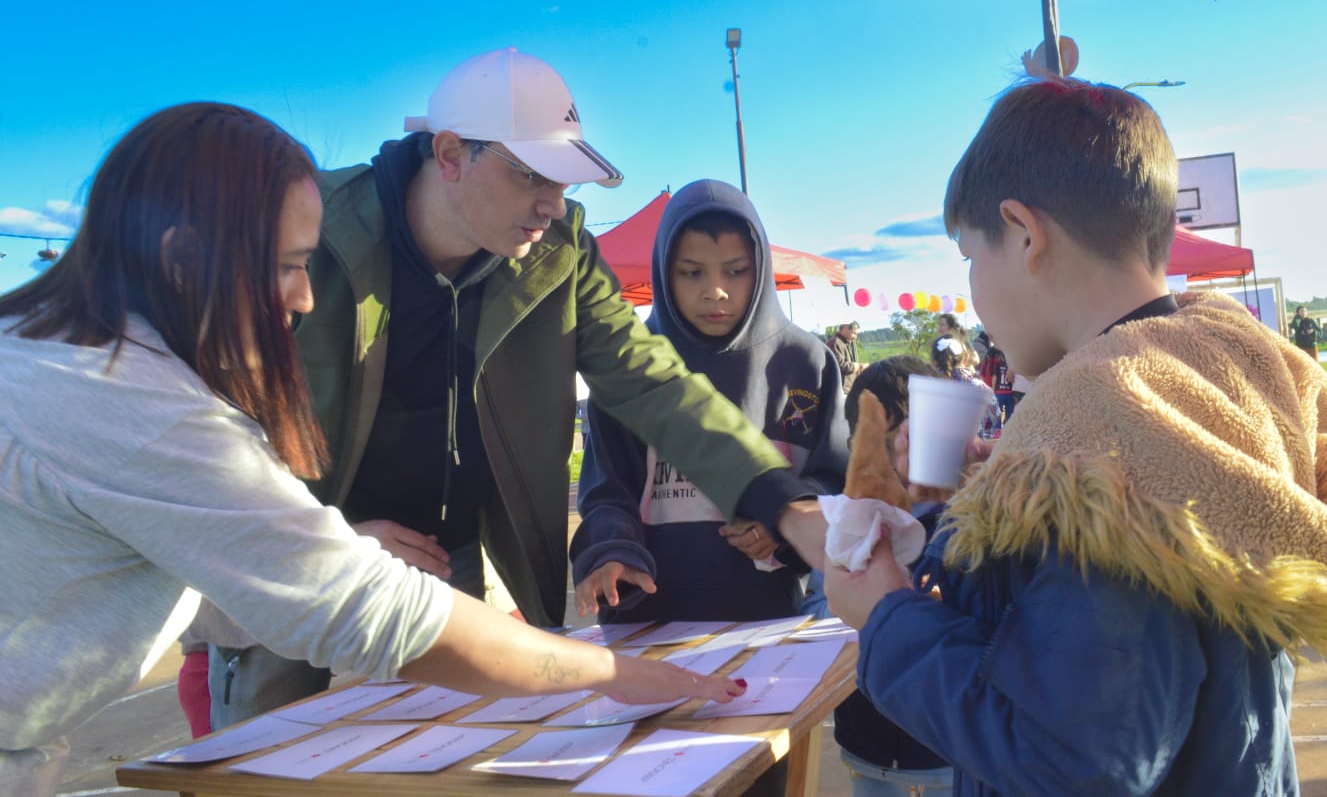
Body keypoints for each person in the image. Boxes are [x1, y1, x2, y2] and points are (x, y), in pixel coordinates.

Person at [0, 103, 745, 797]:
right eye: (289, 266)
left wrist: (328, 550)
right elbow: (362, 611)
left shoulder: (62, 358)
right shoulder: (134, 404)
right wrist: (603, 669)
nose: (304, 299)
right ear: (183, 257)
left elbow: (207, 570)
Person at [203, 48, 828, 728]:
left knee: (460, 747)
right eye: (531, 175)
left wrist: (786, 506)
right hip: (295, 548)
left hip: (447, 557)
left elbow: (657, 387)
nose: (552, 205)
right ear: (449, 154)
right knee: (265, 752)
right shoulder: (307, 233)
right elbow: (212, 430)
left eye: (563, 182)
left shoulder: (560, 252)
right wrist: (332, 538)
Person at [825, 77, 1327, 795]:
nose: (971, 286)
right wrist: (999, 498)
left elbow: (1069, 763)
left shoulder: (1099, 434)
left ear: (1024, 234)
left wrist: (884, 614)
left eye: (969, 254)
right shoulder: (1219, 377)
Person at [570, 178, 849, 624]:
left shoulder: (806, 361)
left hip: (767, 617)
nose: (715, 291)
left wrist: (782, 523)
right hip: (646, 622)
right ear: (664, 269)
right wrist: (611, 553)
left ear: (760, 269)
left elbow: (835, 479)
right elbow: (606, 492)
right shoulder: (630, 365)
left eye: (735, 271)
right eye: (692, 271)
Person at [801, 355, 952, 797]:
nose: (890, 470)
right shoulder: (842, 525)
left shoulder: (967, 527)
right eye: (873, 448)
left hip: (950, 752)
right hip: (866, 744)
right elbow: (816, 612)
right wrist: (848, 601)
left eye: (906, 448)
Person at [829, 321, 868, 388]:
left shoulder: (844, 344)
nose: (855, 337)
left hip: (846, 389)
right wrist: (856, 366)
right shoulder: (835, 342)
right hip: (840, 390)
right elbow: (839, 366)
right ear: (845, 328)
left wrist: (860, 368)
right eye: (854, 333)